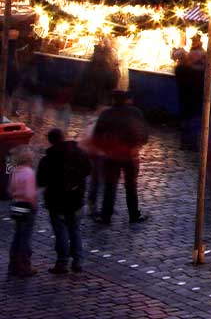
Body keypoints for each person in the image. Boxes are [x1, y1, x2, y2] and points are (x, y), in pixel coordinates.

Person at [91, 91, 149, 224]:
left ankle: (106, 216)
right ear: (127, 100)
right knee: (131, 186)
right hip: (130, 155)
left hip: (112, 156)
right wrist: (136, 146)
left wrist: (105, 148)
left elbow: (97, 135)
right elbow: (144, 133)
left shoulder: (107, 114)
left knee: (110, 186)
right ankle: (133, 215)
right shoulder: (135, 113)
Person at [36, 128, 89, 275]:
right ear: (63, 137)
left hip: (56, 201)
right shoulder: (79, 153)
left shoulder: (47, 160)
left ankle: (62, 263)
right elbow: (88, 169)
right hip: (76, 198)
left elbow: (41, 181)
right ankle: (78, 261)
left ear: (50, 141)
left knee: (61, 232)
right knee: (75, 230)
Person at [7, 149, 35, 277]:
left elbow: (10, 190)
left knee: (17, 235)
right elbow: (29, 194)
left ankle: (13, 265)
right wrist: (33, 205)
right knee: (25, 237)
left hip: (16, 204)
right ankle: (24, 267)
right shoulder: (29, 173)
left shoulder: (14, 171)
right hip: (26, 206)